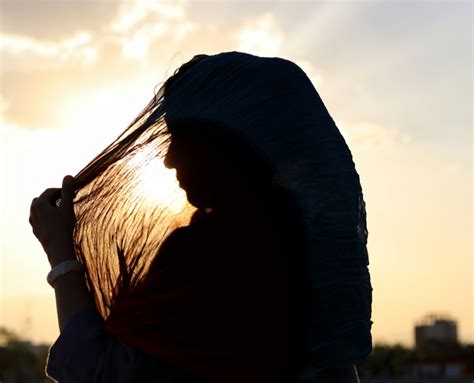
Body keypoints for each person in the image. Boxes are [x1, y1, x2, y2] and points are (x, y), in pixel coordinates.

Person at [29, 51, 373, 382]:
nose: (169, 160)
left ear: (222, 148)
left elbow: (99, 370)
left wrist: (61, 257)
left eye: (179, 140)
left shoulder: (215, 256)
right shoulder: (309, 257)